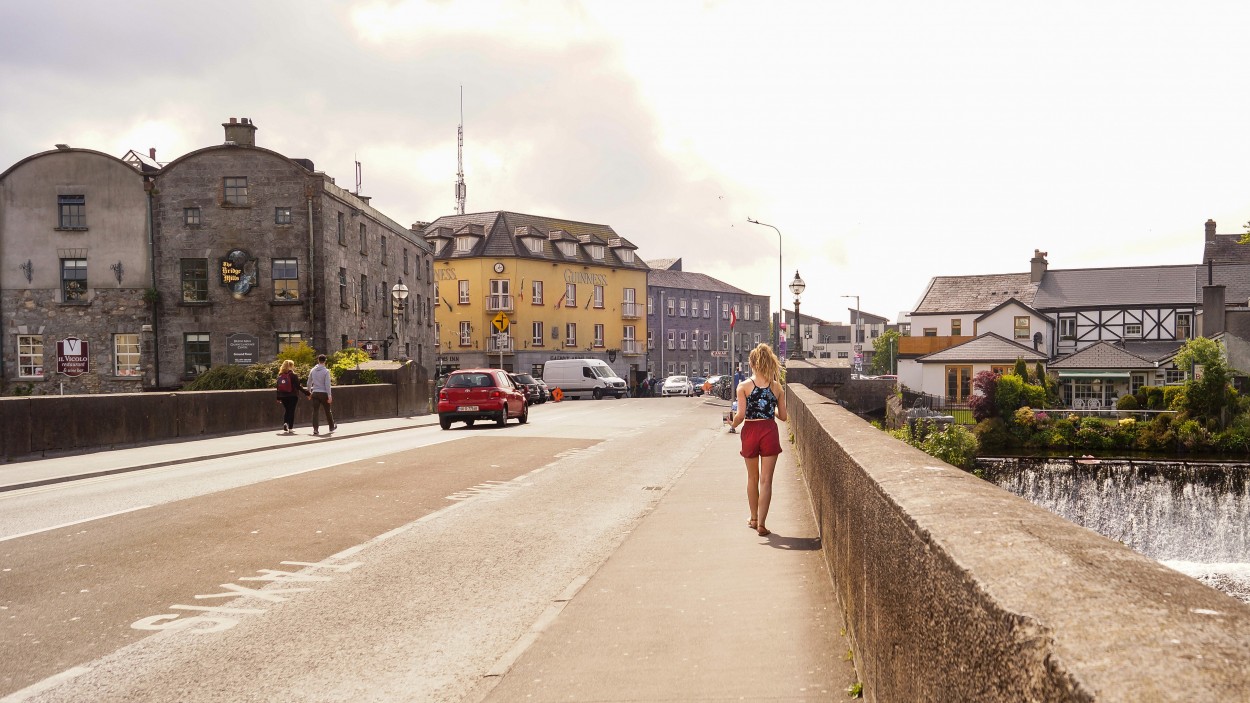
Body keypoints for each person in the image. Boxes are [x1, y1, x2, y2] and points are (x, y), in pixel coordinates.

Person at [728, 343, 789, 537]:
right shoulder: (776, 387)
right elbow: (784, 416)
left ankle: (753, 518)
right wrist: (771, 409)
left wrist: (732, 424)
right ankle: (762, 523)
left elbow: (741, 414)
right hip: (769, 430)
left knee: (752, 478)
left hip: (751, 431)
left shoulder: (744, 386)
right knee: (766, 480)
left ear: (753, 364)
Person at [275, 359, 310, 435]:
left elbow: (278, 387)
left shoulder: (280, 375)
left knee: (287, 410)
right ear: (290, 366)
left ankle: (285, 423)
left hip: (283, 396)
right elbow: (298, 386)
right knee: (291, 411)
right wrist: (307, 393)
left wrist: (278, 398)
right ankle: (290, 428)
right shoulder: (293, 375)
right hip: (292, 395)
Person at [307, 354, 336, 436]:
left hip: (315, 393)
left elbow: (309, 382)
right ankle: (331, 427)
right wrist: (329, 395)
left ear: (318, 360)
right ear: (325, 361)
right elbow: (327, 384)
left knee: (315, 411)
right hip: (324, 393)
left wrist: (309, 392)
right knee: (327, 411)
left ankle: (315, 429)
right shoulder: (326, 371)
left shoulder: (312, 370)